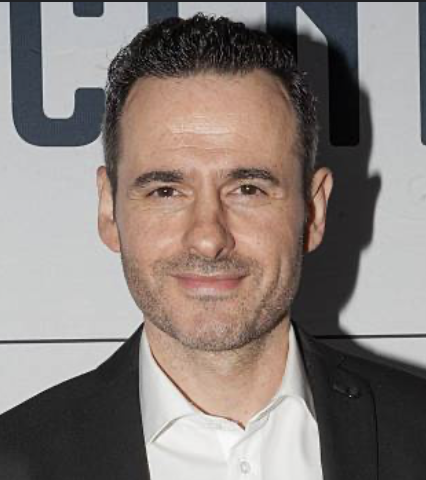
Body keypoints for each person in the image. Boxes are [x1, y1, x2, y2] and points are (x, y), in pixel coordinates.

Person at [1, 13, 426, 480]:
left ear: (314, 211)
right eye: (166, 191)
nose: (208, 238)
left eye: (247, 189)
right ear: (109, 210)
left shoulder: (416, 433)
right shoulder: (16, 459)